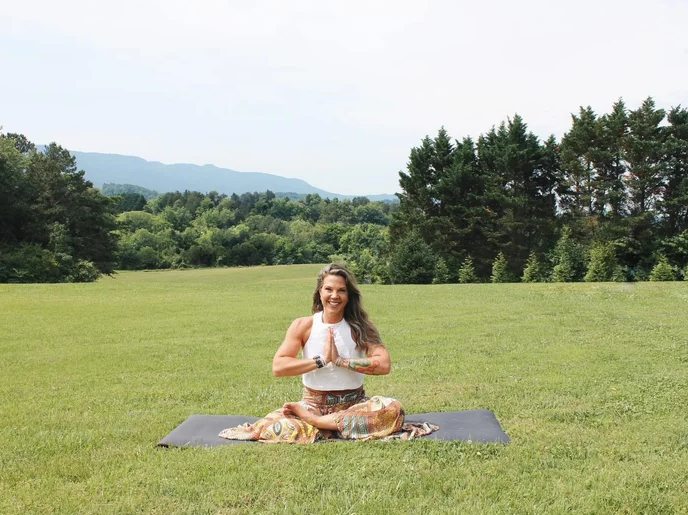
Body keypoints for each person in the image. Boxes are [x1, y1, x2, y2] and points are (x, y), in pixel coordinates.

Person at [219, 263, 437, 443]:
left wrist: (341, 361)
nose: (335, 295)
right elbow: (279, 367)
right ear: (320, 292)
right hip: (313, 405)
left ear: (349, 296)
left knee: (394, 410)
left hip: (355, 405)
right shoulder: (303, 325)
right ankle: (329, 423)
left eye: (341, 290)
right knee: (273, 428)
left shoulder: (362, 327)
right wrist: (321, 361)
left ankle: (319, 425)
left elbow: (384, 364)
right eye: (329, 289)